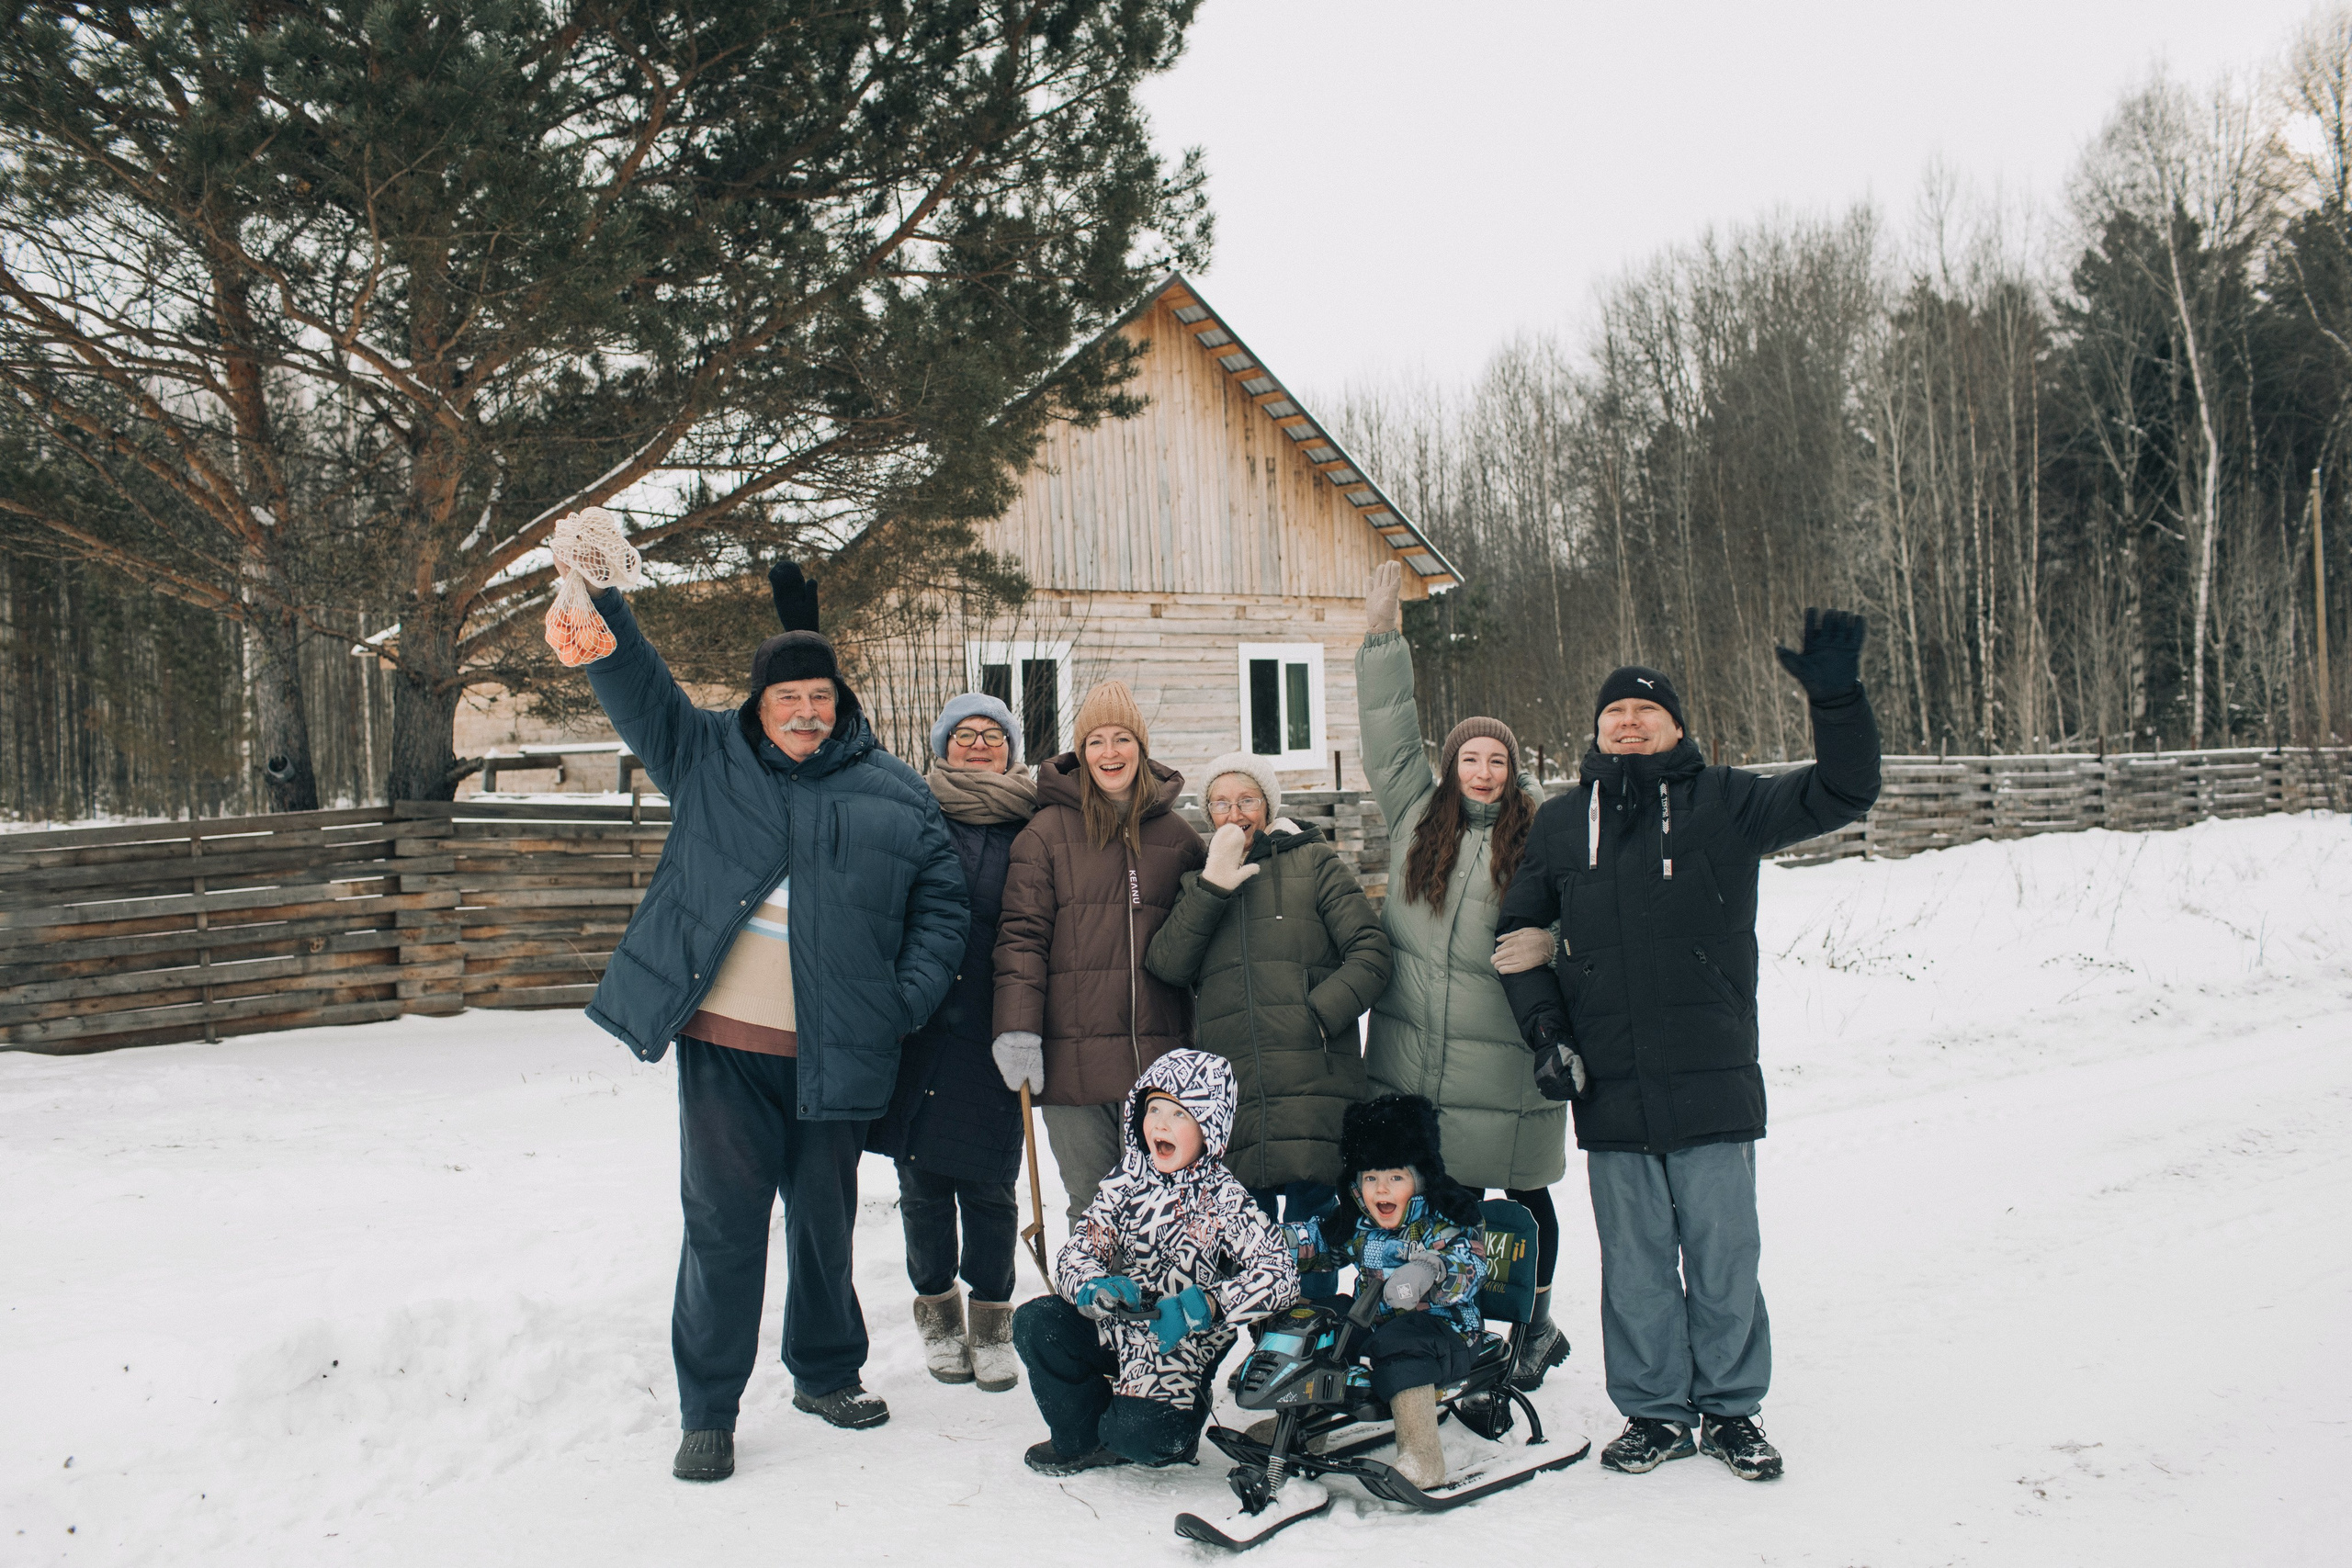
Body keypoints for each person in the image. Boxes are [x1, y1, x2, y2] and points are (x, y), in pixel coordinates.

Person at [553, 540, 967, 1485]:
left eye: (821, 698)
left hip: (836, 1050)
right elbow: (636, 686)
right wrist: (604, 600)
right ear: (760, 705)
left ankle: (825, 1374)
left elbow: (944, 907)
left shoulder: (894, 792)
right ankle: (709, 1412)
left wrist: (897, 1003)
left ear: (840, 703)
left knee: (822, 1224)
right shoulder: (704, 756)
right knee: (723, 1226)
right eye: (789, 700)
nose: (806, 714)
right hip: (725, 1051)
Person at [1495, 610, 1882, 1483]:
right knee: (1634, 1265)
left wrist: (1838, 698)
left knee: (1723, 1254)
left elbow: (1844, 791)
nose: (1628, 724)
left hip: (1712, 1081)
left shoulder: (1728, 801)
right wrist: (1546, 1031)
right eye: (1613, 716)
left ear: (1676, 726)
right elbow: (1517, 936)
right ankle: (1655, 1414)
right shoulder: (1561, 826)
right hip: (1612, 1085)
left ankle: (1734, 1409)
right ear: (1595, 732)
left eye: (1646, 712)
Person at [1352, 560, 1571, 1388]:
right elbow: (1387, 729)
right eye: (1471, 757)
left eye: (1497, 759)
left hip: (1507, 1058)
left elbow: (1583, 917)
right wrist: (1383, 638)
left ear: (1513, 768)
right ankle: (1443, 1323)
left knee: (1518, 1201)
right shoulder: (1416, 810)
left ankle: (1534, 1322)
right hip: (1415, 1054)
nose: (1483, 770)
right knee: (1435, 1197)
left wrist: (1554, 949)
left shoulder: (1545, 829)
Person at [1143, 751, 1391, 1287]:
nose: (1235, 813)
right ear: (1208, 814)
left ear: (1268, 805)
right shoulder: (1198, 883)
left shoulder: (1314, 862)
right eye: (1221, 803)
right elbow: (1167, 964)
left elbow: (1371, 951)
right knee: (1249, 1252)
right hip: (1237, 1094)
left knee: (1311, 1246)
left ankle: (1314, 1353)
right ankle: (1268, 1352)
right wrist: (1214, 885)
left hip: (1312, 1084)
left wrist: (1320, 1014)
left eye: (1247, 800)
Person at [1011, 1049, 1300, 1474]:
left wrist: (1207, 1305)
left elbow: (1280, 1274)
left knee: (1145, 1439)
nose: (1161, 1123)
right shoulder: (1126, 1180)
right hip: (1119, 1325)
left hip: (1178, 1346)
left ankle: (1165, 1428)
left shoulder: (1225, 1198)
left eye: (1180, 1114)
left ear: (1209, 1126)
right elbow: (1080, 1249)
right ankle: (1082, 1439)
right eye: (1154, 1109)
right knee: (1038, 1322)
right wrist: (1093, 1286)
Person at [866, 694, 1038, 1394]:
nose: (977, 743)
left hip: (998, 1022)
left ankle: (993, 1320)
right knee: (923, 1181)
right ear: (942, 745)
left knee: (993, 1185)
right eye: (963, 733)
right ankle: (937, 1311)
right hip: (923, 1021)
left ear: (1010, 750)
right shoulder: (914, 811)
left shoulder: (1033, 823)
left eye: (991, 735)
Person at [991, 681, 1207, 1220]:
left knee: (1167, 1210)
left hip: (1160, 1064)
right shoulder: (1044, 835)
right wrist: (1018, 1032)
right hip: (1074, 1064)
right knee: (1095, 1209)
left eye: (1122, 739)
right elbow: (1021, 939)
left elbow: (1205, 940)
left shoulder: (1179, 838)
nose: (1109, 754)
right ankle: (1097, 1307)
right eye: (1095, 742)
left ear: (1142, 746)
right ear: (1080, 752)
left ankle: (1163, 1307)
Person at [1283, 1093, 1490, 1490]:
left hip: (1447, 1333)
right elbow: (1321, 1243)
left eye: (1396, 1177)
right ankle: (1297, 1430)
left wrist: (1432, 1269)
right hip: (1376, 1321)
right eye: (1371, 1178)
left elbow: (1472, 1267)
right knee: (1325, 1329)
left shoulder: (1445, 1220)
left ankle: (1421, 1455)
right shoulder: (1359, 1222)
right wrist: (1277, 1243)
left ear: (1420, 1179)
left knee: (1398, 1344)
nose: (1382, 1190)